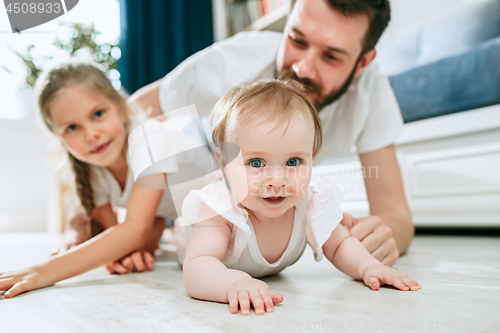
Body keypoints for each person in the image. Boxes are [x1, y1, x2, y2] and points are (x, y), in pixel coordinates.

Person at [130, 0, 413, 266]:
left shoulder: (370, 93)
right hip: (190, 164)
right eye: (297, 40)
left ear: (363, 63)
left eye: (331, 56)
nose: (302, 68)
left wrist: (385, 236)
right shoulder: (232, 60)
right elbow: (133, 114)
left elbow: (395, 215)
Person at [178, 79, 421, 316]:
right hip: (191, 236)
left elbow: (340, 245)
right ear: (224, 163)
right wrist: (232, 283)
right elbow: (198, 265)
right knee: (177, 241)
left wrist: (370, 266)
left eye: (293, 162)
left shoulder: (310, 202)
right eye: (256, 163)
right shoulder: (220, 209)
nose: (277, 180)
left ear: (311, 156)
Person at [0, 62, 211, 298]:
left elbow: (134, 229)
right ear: (60, 140)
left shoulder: (150, 139)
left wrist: (41, 272)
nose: (91, 134)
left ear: (121, 107)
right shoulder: (92, 168)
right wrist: (128, 253)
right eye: (72, 127)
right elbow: (120, 238)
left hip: (210, 160)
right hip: (168, 207)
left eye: (98, 114)